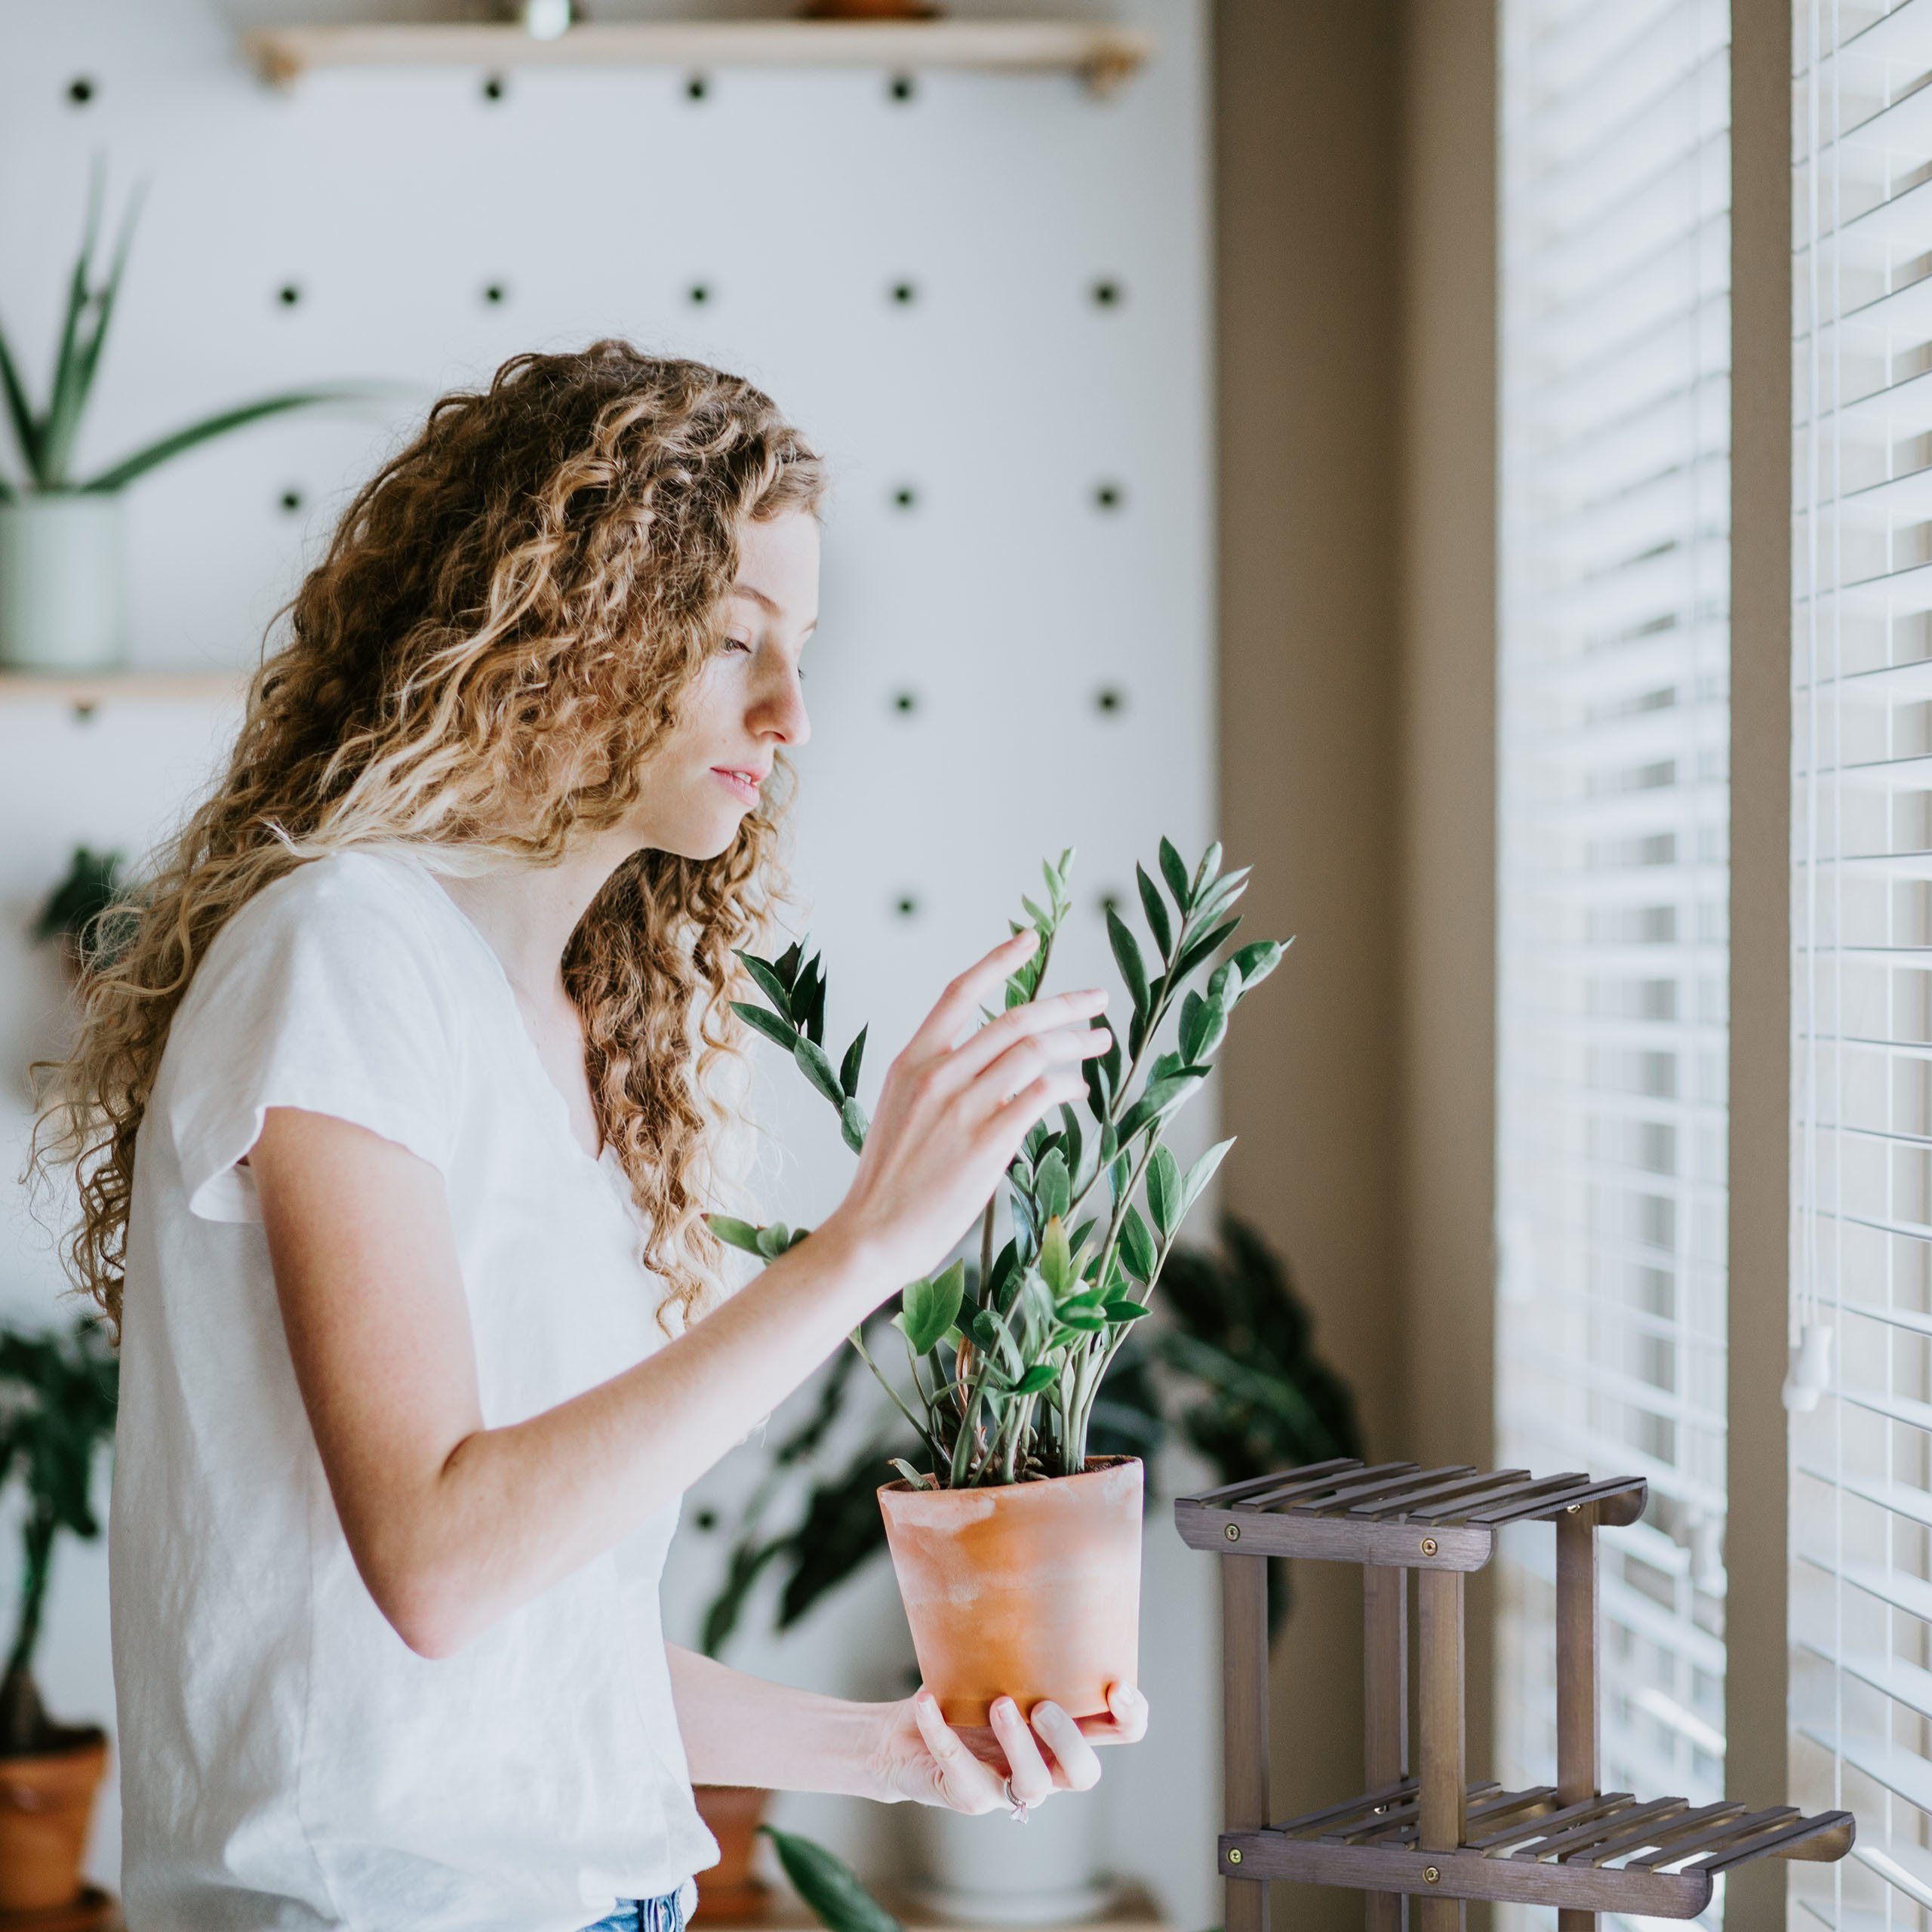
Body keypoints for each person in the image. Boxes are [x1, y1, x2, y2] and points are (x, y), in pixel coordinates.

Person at [32, 342, 1146, 1932]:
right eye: (729, 638)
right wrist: (866, 1247)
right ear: (562, 627)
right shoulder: (341, 953)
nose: (790, 711)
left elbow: (536, 1646)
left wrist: (892, 1749)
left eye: (801, 646)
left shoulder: (573, 1029)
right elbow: (437, 1558)